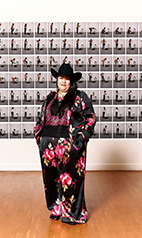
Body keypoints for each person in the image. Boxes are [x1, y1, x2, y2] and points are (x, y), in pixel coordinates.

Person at [33, 63, 97, 225]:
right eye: (61, 78)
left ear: (71, 81)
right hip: (48, 146)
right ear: (57, 79)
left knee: (71, 180)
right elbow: (41, 118)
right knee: (51, 180)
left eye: (67, 79)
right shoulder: (50, 97)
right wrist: (38, 136)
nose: (64, 82)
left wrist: (81, 138)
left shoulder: (80, 97)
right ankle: (57, 208)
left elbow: (90, 118)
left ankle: (72, 213)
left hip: (71, 145)